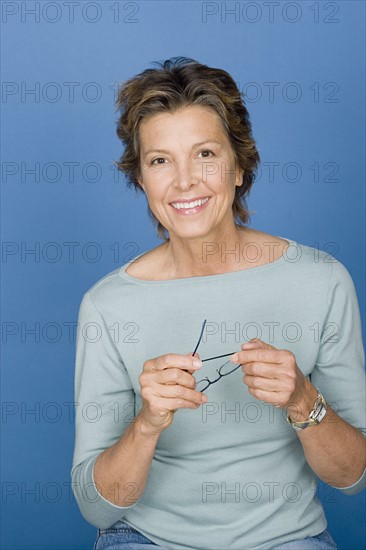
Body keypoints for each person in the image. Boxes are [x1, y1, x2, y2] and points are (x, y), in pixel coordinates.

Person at [71, 57, 366, 550]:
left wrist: (302, 400)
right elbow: (96, 506)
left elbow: (353, 477)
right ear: (141, 179)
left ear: (239, 165)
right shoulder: (108, 306)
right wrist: (146, 425)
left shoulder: (322, 282)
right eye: (160, 160)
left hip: (285, 539)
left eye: (205, 153)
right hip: (147, 539)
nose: (184, 181)